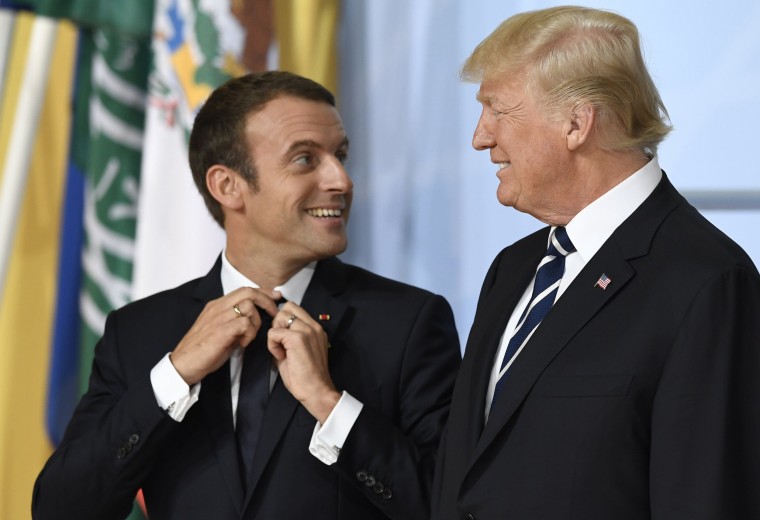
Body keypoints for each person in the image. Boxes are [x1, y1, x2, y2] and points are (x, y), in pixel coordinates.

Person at [33, 71, 461, 520]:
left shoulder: (408, 323)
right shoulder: (139, 332)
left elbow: (447, 504)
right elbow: (60, 508)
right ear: (227, 186)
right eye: (305, 159)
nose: (341, 180)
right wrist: (173, 377)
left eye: (340, 155)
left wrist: (327, 403)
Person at [432, 6, 760, 520]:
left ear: (576, 123)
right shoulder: (514, 268)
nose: (481, 136)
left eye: (497, 109)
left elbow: (707, 497)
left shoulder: (706, 282)